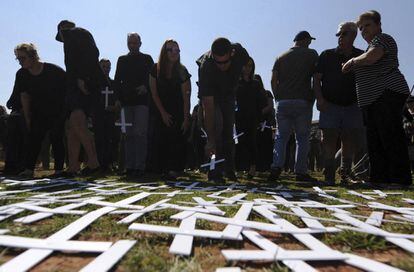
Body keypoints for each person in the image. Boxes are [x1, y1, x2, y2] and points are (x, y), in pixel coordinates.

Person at [342, 10, 411, 186]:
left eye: (368, 25)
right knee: (375, 140)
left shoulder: (382, 39)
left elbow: (372, 57)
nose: (364, 30)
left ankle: (399, 179)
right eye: (361, 27)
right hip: (371, 99)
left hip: (386, 92)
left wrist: (351, 62)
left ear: (378, 25)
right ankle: (380, 179)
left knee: (389, 135)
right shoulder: (370, 45)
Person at [314, 22, 365, 185]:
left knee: (348, 138)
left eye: (343, 34)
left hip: (352, 105)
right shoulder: (327, 55)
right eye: (339, 35)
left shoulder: (361, 55)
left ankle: (345, 172)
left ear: (353, 35)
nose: (340, 38)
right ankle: (329, 174)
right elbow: (316, 79)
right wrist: (320, 99)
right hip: (330, 105)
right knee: (329, 138)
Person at [56, 20, 106, 176]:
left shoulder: (75, 34)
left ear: (62, 29)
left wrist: (82, 77)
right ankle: (73, 166)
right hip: (76, 83)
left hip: (82, 83)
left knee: (77, 122)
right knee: (72, 127)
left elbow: (92, 54)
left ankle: (94, 163)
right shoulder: (76, 36)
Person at [268, 31, 318, 182]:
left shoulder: (281, 56)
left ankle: (276, 167)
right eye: (309, 40)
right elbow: (315, 78)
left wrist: (278, 97)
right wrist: (313, 98)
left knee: (281, 136)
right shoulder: (311, 54)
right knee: (302, 138)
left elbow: (273, 80)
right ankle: (300, 171)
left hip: (283, 102)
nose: (310, 43)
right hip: (303, 100)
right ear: (304, 40)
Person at [197, 37, 250, 182]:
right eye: (218, 62)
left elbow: (249, 63)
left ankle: (229, 168)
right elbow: (208, 107)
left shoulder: (239, 51)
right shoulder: (206, 67)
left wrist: (245, 76)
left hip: (229, 93)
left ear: (231, 54)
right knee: (216, 126)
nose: (221, 66)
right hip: (212, 96)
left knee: (228, 128)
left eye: (225, 62)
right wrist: (210, 139)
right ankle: (215, 170)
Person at [11, 43, 66, 178]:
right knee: (34, 138)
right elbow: (24, 95)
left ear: (33, 56)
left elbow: (67, 90)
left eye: (22, 58)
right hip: (37, 111)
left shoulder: (54, 70)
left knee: (56, 137)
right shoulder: (22, 74)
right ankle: (29, 169)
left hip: (57, 110)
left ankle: (59, 170)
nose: (20, 62)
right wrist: (28, 116)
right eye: (18, 59)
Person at [149, 39, 191, 180]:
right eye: (171, 49)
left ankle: (174, 169)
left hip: (178, 111)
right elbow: (154, 93)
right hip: (160, 110)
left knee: (176, 139)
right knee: (159, 138)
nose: (174, 53)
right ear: (164, 52)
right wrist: (163, 113)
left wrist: (186, 118)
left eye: (177, 50)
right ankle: (160, 169)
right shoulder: (155, 69)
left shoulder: (182, 71)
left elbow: (186, 97)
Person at [114, 33, 154, 177]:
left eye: (135, 43)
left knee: (140, 133)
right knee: (128, 135)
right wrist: (117, 98)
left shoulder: (147, 59)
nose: (132, 45)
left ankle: (140, 167)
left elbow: (152, 78)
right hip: (126, 103)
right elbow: (117, 80)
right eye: (130, 43)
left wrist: (145, 87)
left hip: (142, 102)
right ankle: (129, 166)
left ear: (140, 43)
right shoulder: (122, 60)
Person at [235, 57, 266, 178]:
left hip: (253, 117)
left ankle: (252, 168)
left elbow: (262, 101)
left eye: (250, 66)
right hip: (238, 117)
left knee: (252, 143)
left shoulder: (256, 84)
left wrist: (260, 116)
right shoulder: (236, 83)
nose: (247, 68)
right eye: (245, 65)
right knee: (239, 143)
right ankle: (238, 168)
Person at [92, 58, 121, 172]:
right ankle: (98, 163)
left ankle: (109, 163)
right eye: (103, 67)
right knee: (99, 139)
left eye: (108, 67)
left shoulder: (114, 84)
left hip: (110, 116)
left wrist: (114, 107)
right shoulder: (95, 83)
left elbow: (118, 101)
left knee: (111, 139)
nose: (106, 69)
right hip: (98, 115)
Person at [254, 75, 275, 172]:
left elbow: (270, 106)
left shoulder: (267, 93)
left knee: (265, 146)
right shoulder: (251, 94)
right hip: (254, 124)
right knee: (255, 146)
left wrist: (259, 114)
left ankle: (266, 166)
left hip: (265, 124)